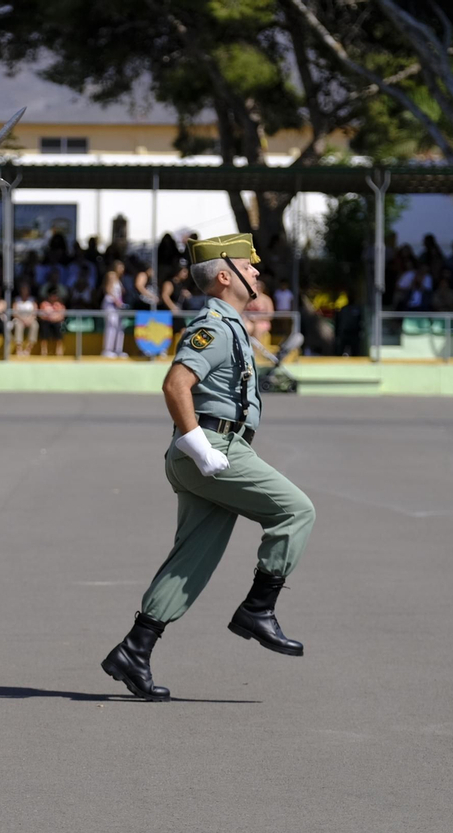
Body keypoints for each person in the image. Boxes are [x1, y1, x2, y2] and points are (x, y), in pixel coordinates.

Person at [100, 233, 315, 700]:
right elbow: (176, 384)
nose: (257, 272)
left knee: (192, 559)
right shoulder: (214, 327)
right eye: (249, 266)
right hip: (213, 447)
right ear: (225, 276)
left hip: (208, 450)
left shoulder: (231, 325)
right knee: (295, 511)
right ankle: (259, 608)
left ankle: (135, 650)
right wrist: (199, 445)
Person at [100, 270, 128, 358]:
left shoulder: (119, 280)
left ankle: (118, 350)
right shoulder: (111, 274)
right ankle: (107, 350)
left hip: (118, 306)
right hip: (110, 304)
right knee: (111, 327)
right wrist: (116, 300)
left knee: (120, 327)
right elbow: (108, 289)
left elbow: (120, 293)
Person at [11, 282, 38, 356]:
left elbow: (35, 312)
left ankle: (28, 349)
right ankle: (19, 349)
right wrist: (23, 320)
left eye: (26, 289)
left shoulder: (32, 300)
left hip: (30, 318)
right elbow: (14, 312)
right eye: (23, 289)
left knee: (35, 325)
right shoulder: (17, 300)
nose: (25, 291)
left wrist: (29, 319)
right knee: (18, 325)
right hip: (19, 318)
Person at [37, 288, 67, 356]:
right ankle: (44, 350)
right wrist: (49, 318)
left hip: (56, 322)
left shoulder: (59, 304)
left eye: (55, 295)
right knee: (44, 327)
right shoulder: (44, 304)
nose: (54, 297)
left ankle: (59, 349)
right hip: (46, 322)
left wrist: (54, 318)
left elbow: (62, 315)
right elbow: (41, 315)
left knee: (59, 327)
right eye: (52, 295)